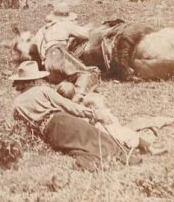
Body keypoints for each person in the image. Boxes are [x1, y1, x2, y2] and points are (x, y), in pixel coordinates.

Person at [10, 61, 140, 171]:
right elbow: (68, 106)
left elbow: (23, 129)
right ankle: (122, 156)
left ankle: (105, 159)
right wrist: (93, 113)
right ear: (33, 80)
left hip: (50, 135)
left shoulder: (16, 104)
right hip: (61, 121)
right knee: (95, 136)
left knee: (78, 147)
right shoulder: (42, 90)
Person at [33, 2, 100, 100]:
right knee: (90, 73)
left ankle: (68, 89)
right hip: (59, 54)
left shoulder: (42, 30)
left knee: (73, 74)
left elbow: (35, 47)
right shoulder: (65, 24)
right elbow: (85, 34)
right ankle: (78, 95)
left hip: (48, 67)